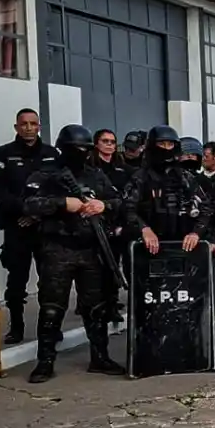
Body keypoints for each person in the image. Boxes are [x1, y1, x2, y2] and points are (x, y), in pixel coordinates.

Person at [22, 125, 126, 382]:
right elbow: (28, 204)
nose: (81, 153)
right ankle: (45, 361)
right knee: (51, 308)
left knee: (96, 308)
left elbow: (119, 202)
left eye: (85, 149)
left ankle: (99, 357)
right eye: (76, 149)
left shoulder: (96, 175)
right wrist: (62, 204)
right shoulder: (46, 174)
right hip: (57, 248)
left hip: (90, 249)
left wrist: (103, 205)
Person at [0, 108, 58, 345]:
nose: (28, 127)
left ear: (39, 127)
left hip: (45, 227)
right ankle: (16, 328)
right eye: (24, 124)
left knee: (49, 280)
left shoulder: (52, 154)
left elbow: (59, 187)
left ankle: (50, 327)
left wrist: (37, 214)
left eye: (33, 123)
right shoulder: (4, 153)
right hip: (16, 225)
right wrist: (24, 210)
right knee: (16, 281)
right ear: (16, 127)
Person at [121, 126, 211, 257]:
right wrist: (143, 229)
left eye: (170, 144)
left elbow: (206, 209)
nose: (166, 148)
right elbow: (127, 208)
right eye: (162, 144)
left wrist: (196, 233)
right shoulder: (140, 177)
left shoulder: (185, 177)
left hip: (183, 247)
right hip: (148, 247)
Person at [89, 127, 134, 323]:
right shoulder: (90, 168)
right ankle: (104, 305)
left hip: (121, 224)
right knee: (103, 268)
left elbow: (129, 199)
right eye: (105, 141)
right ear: (96, 144)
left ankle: (115, 304)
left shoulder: (124, 169)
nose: (109, 145)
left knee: (124, 266)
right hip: (97, 224)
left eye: (112, 142)